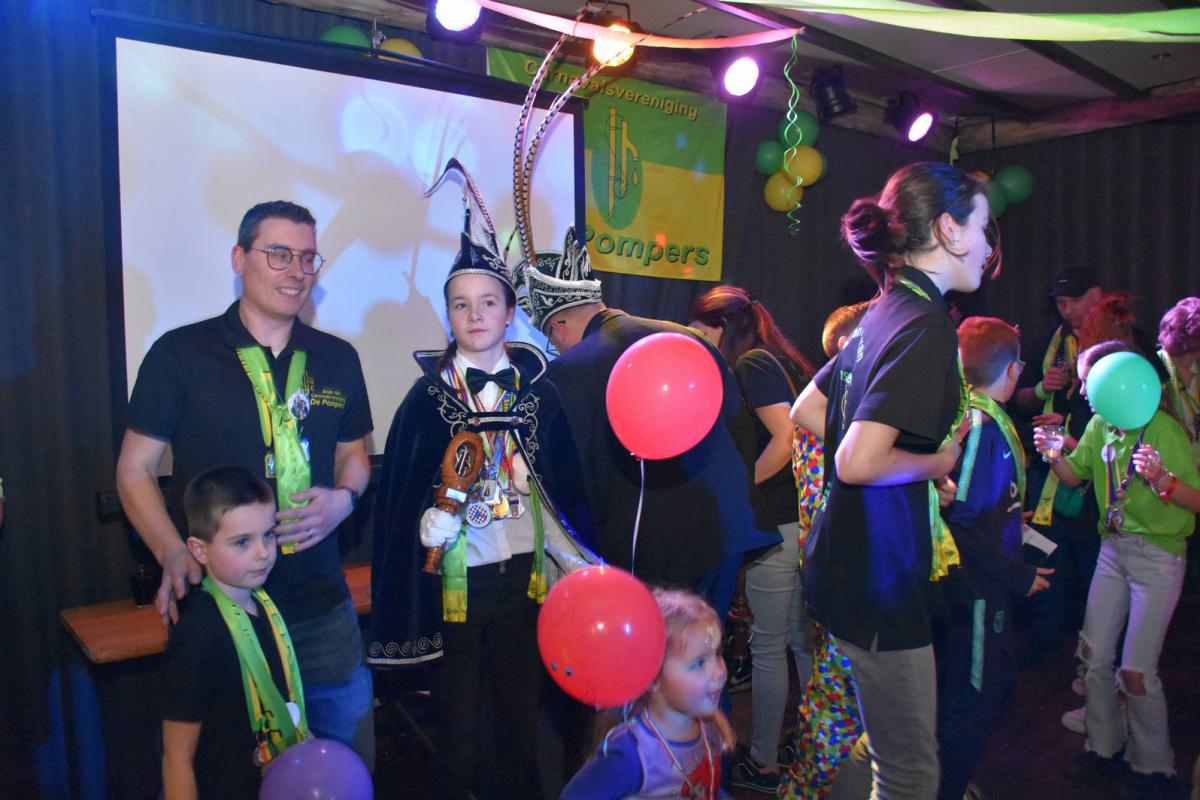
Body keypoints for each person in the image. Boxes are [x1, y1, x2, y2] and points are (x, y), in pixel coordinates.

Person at [366, 162, 598, 800]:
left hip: (524, 584)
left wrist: (578, 559)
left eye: (488, 302)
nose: (475, 315)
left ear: (509, 311)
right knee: (459, 730)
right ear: (448, 315)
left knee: (523, 723)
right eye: (461, 304)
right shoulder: (426, 401)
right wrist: (429, 521)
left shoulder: (539, 397)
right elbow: (402, 502)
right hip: (455, 590)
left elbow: (564, 492)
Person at [116, 201, 375, 766]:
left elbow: (354, 455)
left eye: (308, 258)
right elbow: (134, 469)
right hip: (223, 613)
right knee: (227, 773)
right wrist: (170, 551)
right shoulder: (180, 354)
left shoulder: (337, 358)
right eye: (278, 254)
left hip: (322, 611)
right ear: (239, 259)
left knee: (347, 770)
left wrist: (344, 499)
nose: (296, 271)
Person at [790, 162, 996, 799]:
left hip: (846, 563)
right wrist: (935, 463)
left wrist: (902, 469)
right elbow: (856, 461)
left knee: (881, 746)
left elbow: (809, 410)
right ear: (949, 231)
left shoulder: (883, 310)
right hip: (877, 576)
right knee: (910, 772)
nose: (988, 247)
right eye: (983, 228)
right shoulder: (926, 323)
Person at [517, 234, 778, 620]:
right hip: (720, 534)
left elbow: (564, 485)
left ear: (558, 324)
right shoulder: (689, 337)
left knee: (651, 655)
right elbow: (739, 432)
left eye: (553, 340)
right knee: (704, 650)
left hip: (641, 556)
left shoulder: (563, 376)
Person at [1034, 339, 1200, 800]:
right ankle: (1102, 748)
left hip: (1158, 557)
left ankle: (1153, 768)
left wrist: (1164, 481)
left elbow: (1196, 500)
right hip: (1113, 550)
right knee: (1093, 656)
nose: (1084, 392)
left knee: (1136, 672)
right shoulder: (1102, 426)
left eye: (1091, 383)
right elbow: (1075, 476)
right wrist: (1053, 454)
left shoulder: (1164, 430)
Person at [688, 285, 815, 794]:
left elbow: (786, 438)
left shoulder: (751, 364)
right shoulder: (779, 359)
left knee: (769, 645)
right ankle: (811, 749)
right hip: (800, 519)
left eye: (701, 333)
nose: (698, 344)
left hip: (778, 523)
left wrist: (741, 490)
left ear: (724, 327)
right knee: (800, 642)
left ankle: (763, 762)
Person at [935, 317, 1053, 800]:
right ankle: (945, 788)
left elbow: (976, 502)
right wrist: (1017, 576)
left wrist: (1006, 507)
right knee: (975, 695)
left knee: (983, 687)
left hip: (985, 584)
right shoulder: (980, 425)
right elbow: (963, 518)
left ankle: (948, 781)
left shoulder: (980, 418)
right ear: (1012, 370)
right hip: (978, 589)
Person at [161, 467, 305, 800]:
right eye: (242, 542)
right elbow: (177, 760)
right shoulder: (198, 634)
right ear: (200, 550)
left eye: (268, 535)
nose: (263, 552)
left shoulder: (267, 605)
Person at [780, 301, 869, 800]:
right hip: (843, 574)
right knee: (836, 700)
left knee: (841, 697)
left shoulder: (842, 408)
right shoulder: (835, 414)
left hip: (838, 572)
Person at [560, 589, 735, 799]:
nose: (719, 672)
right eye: (699, 663)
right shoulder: (631, 754)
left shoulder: (710, 730)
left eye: (718, 654)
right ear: (652, 678)